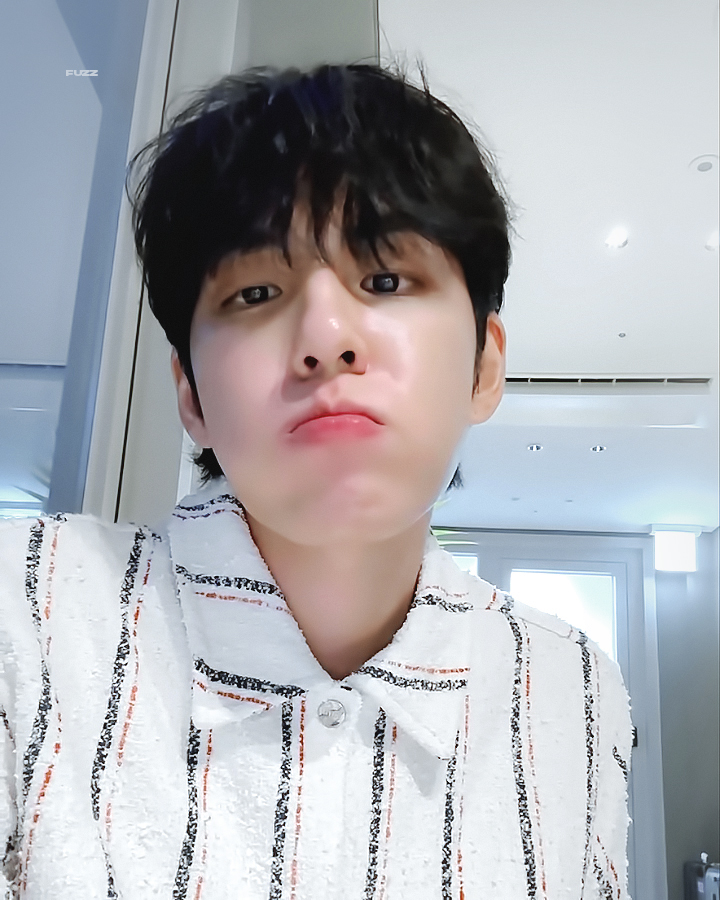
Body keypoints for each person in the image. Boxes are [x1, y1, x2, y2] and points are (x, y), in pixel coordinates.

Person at [0, 64, 632, 899]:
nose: (327, 337)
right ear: (191, 396)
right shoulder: (27, 615)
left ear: (485, 366)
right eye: (257, 292)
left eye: (385, 280)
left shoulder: (572, 688)